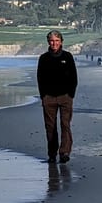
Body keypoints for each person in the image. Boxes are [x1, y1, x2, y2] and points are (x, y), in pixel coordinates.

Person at [36, 30, 78, 163]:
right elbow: (40, 78)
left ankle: (64, 152)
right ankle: (52, 153)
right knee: (50, 127)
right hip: (48, 98)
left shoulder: (68, 56)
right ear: (48, 42)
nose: (54, 43)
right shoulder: (43, 58)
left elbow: (74, 77)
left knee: (65, 125)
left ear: (61, 42)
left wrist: (71, 94)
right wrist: (43, 96)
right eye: (52, 41)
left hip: (65, 97)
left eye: (57, 41)